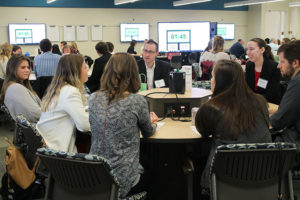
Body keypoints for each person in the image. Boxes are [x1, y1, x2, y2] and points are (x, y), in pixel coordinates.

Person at [195, 59, 271, 192]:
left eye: (213, 76)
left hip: (224, 180)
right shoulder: (260, 101)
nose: (211, 80)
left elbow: (203, 133)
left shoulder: (212, 107)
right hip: (263, 177)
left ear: (220, 81)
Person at [89, 53, 157, 198]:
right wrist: (152, 123)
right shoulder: (136, 101)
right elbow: (148, 133)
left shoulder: (93, 98)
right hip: (121, 181)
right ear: (133, 73)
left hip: (95, 178)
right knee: (154, 168)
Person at [37, 54, 90, 153]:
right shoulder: (70, 91)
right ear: (76, 71)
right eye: (85, 67)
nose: (87, 71)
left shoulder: (59, 88)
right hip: (57, 151)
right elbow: (84, 126)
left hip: (47, 144)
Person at [270, 40, 300, 149]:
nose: (278, 66)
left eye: (282, 62)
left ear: (295, 63)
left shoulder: (297, 82)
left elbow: (279, 120)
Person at [0, 54, 41, 123]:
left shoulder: (14, 85)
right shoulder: (15, 88)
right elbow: (35, 114)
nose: (27, 70)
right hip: (39, 128)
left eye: (28, 67)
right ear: (13, 69)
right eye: (23, 67)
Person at [245, 38, 281, 104]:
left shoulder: (274, 67)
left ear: (262, 50)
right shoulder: (249, 65)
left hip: (268, 103)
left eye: (251, 49)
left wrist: (253, 100)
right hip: (252, 102)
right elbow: (247, 88)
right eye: (247, 49)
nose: (248, 52)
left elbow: (271, 94)